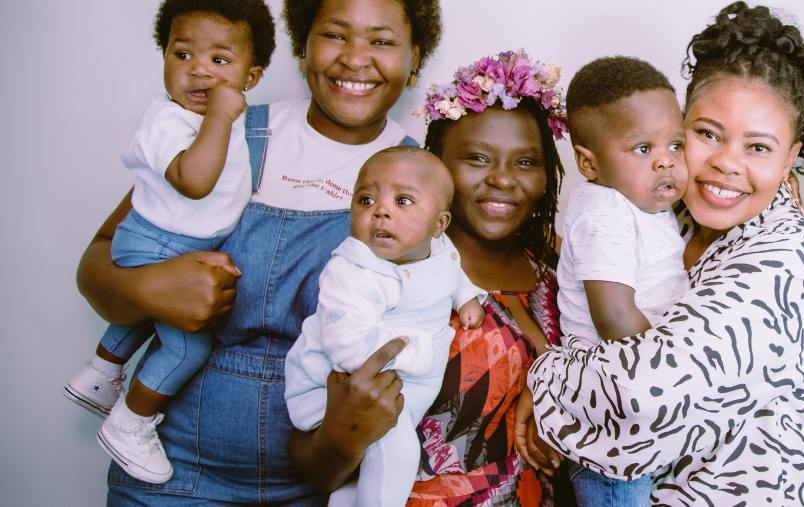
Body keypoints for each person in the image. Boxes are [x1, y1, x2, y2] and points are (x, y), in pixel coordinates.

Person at [75, 0, 442, 502]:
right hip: (171, 473)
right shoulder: (220, 127)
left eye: (381, 41)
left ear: (414, 57)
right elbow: (100, 260)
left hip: (320, 481)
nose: (356, 59)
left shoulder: (425, 178)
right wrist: (149, 288)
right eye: (335, 35)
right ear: (302, 45)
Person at [518, 3, 804, 505]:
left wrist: (546, 379)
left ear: (791, 157)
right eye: (706, 134)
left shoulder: (792, 260)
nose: (726, 163)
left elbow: (645, 394)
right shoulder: (666, 215)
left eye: (759, 147)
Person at [291, 49, 575, 507]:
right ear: (436, 166)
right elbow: (311, 467)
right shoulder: (386, 271)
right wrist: (343, 435)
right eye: (477, 158)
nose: (503, 180)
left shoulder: (557, 267)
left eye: (526, 162)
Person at [63, 0, 275, 485]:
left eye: (220, 61)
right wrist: (220, 116)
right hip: (155, 244)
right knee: (186, 350)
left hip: (172, 243)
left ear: (252, 76)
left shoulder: (229, 120)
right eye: (182, 55)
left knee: (148, 318)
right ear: (163, 58)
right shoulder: (169, 122)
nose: (199, 70)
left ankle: (98, 375)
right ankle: (129, 423)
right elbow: (195, 180)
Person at [284, 147, 486, 507]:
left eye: (404, 200)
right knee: (397, 457)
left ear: (439, 224)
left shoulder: (437, 246)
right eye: (366, 199)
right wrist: (419, 349)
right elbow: (346, 343)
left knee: (363, 476)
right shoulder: (354, 271)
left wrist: (466, 297)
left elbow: (449, 270)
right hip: (341, 393)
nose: (381, 210)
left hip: (399, 387)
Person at [556, 56, 689, 506]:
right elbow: (613, 316)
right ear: (588, 164)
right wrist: (676, 379)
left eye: (676, 144)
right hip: (612, 420)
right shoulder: (602, 211)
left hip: (637, 403)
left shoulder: (644, 203)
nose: (665, 162)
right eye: (643, 149)